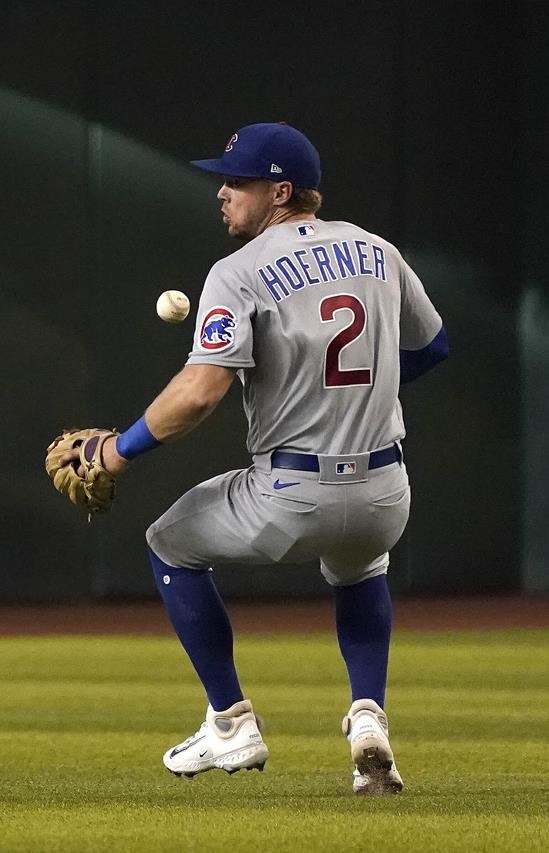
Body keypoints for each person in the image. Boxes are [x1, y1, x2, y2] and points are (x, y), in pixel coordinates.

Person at [86, 122, 447, 794]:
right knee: (360, 564)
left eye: (237, 181)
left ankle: (229, 722)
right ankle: (368, 713)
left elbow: (198, 395)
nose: (222, 193)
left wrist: (116, 450)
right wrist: (361, 391)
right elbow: (430, 347)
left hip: (291, 493)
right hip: (384, 490)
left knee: (168, 543)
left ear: (280, 190)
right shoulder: (378, 251)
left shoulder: (238, 271)